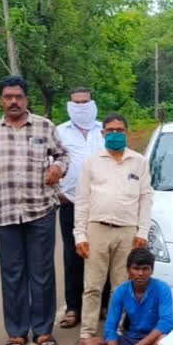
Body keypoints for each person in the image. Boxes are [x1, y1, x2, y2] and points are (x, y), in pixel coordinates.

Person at [0, 76, 69, 345]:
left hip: (40, 210)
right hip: (4, 214)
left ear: (26, 99)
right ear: (0, 100)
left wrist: (58, 168)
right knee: (12, 274)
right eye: (8, 97)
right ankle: (16, 331)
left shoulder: (44, 126)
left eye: (18, 96)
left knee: (41, 272)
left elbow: (63, 155)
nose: (13, 101)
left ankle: (42, 330)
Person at [71, 113, 153, 345]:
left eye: (119, 130)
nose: (115, 134)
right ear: (102, 133)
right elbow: (82, 200)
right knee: (93, 286)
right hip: (97, 228)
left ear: (126, 132)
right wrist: (80, 235)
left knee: (121, 288)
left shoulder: (139, 162)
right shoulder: (92, 162)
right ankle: (86, 335)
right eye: (110, 130)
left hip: (128, 231)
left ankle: (114, 335)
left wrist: (142, 231)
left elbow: (146, 197)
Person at [57, 87, 110, 329]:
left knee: (103, 253)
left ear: (92, 103)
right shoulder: (60, 132)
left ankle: (105, 304)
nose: (81, 106)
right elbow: (50, 163)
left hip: (102, 203)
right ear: (69, 105)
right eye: (76, 103)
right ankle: (73, 308)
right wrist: (58, 194)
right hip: (71, 202)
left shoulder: (104, 131)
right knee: (73, 255)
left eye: (85, 102)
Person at [81, 248, 173, 345]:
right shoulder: (120, 290)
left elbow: (166, 323)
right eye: (136, 268)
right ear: (128, 270)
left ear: (152, 270)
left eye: (145, 269)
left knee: (161, 344)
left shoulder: (162, 288)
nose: (140, 273)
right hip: (130, 338)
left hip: (153, 339)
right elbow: (110, 328)